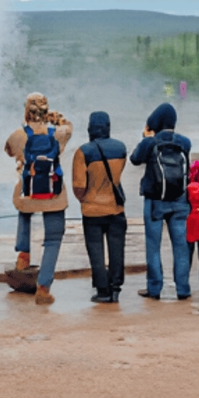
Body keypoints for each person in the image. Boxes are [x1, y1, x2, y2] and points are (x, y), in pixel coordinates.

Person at [4, 93, 72, 305]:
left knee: (24, 211)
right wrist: (57, 118)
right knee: (53, 239)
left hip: (29, 192)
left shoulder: (18, 135)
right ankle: (43, 288)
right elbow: (69, 127)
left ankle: (23, 255)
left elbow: (8, 150)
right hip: (54, 193)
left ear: (27, 111)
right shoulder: (59, 133)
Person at [131, 103, 194, 300]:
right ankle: (183, 289)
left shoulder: (150, 143)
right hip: (180, 199)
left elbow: (135, 159)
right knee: (181, 246)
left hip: (155, 201)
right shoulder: (185, 142)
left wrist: (145, 137)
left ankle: (154, 288)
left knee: (153, 245)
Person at [71, 111, 128, 303]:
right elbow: (117, 176)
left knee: (96, 251)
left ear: (90, 128)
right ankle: (116, 288)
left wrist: (84, 199)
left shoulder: (83, 152)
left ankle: (103, 291)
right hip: (116, 208)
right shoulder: (121, 148)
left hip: (92, 209)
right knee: (117, 249)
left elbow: (79, 186)